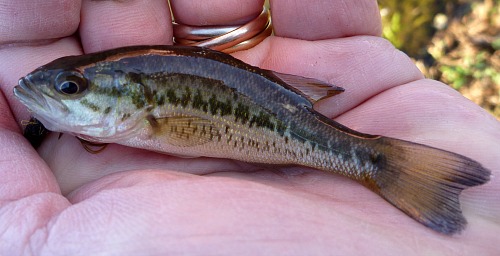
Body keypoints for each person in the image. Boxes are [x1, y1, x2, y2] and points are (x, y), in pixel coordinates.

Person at [0, 0, 498, 254]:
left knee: (351, 151)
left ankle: (379, 161)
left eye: (71, 89)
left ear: (139, 100)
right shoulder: (138, 113)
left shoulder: (150, 115)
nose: (53, 93)